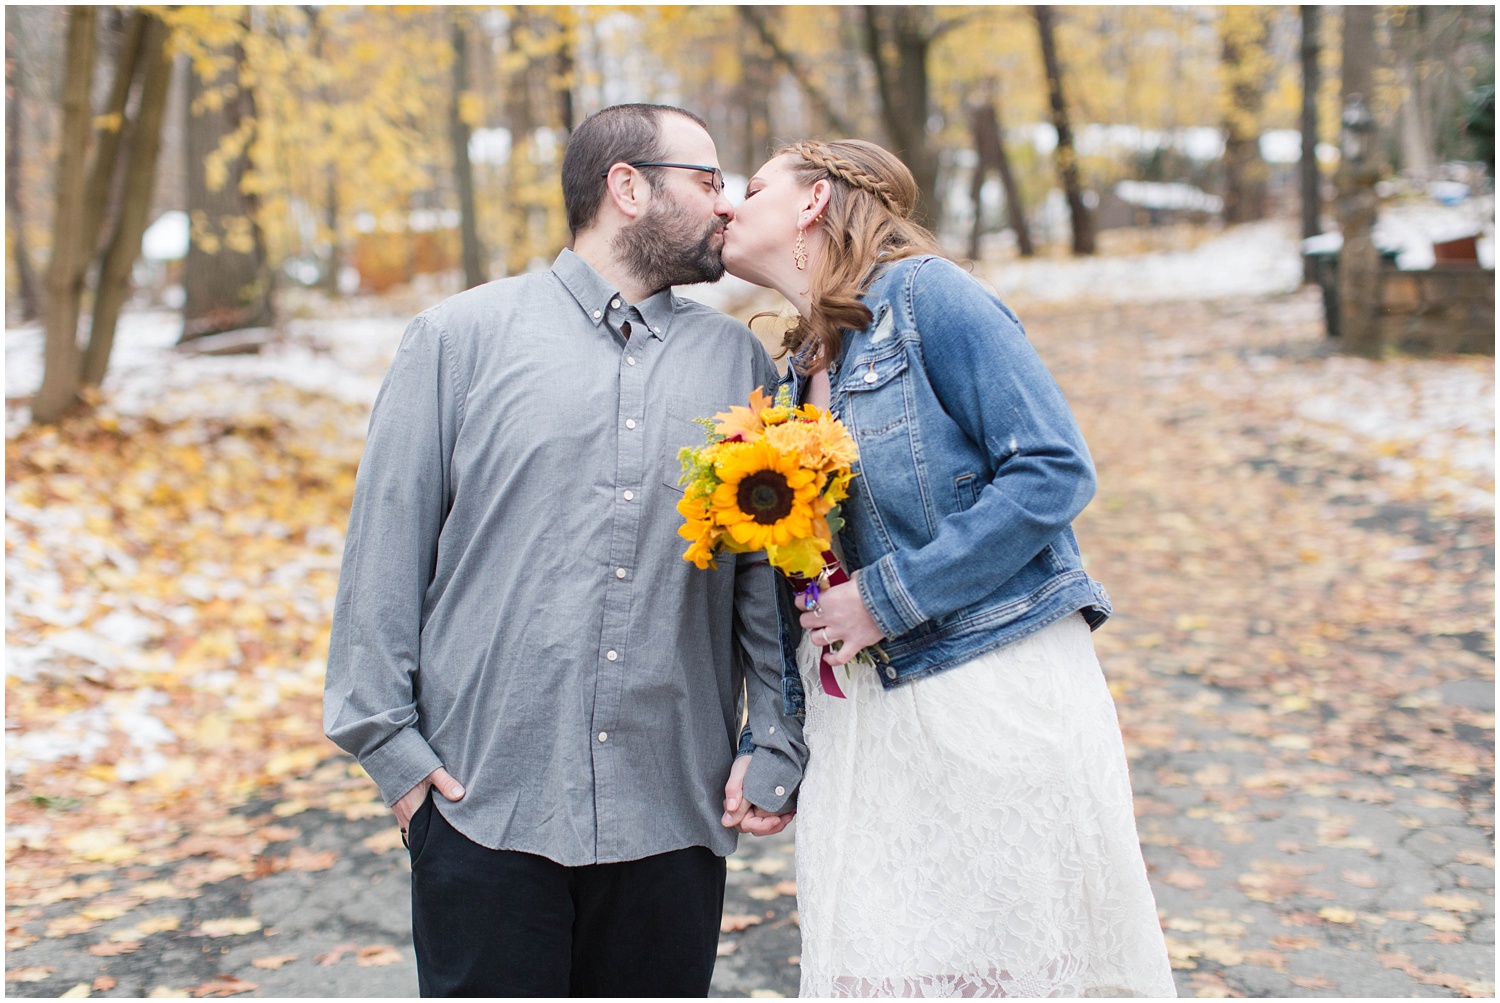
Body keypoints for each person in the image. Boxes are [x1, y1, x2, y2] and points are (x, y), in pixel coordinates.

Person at [324, 103, 806, 998]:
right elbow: (383, 555)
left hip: (672, 802)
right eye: (706, 182)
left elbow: (762, 574)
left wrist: (774, 738)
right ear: (629, 188)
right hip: (481, 803)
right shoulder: (456, 341)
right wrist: (394, 753)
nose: (726, 206)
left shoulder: (738, 363)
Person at [719, 139, 1177, 998]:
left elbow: (1052, 468)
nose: (725, 207)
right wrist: (772, 741)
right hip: (863, 729)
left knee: (1011, 967)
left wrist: (889, 600)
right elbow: (799, 583)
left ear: (814, 201)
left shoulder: (932, 297)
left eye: (748, 188)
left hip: (985, 689)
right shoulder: (794, 373)